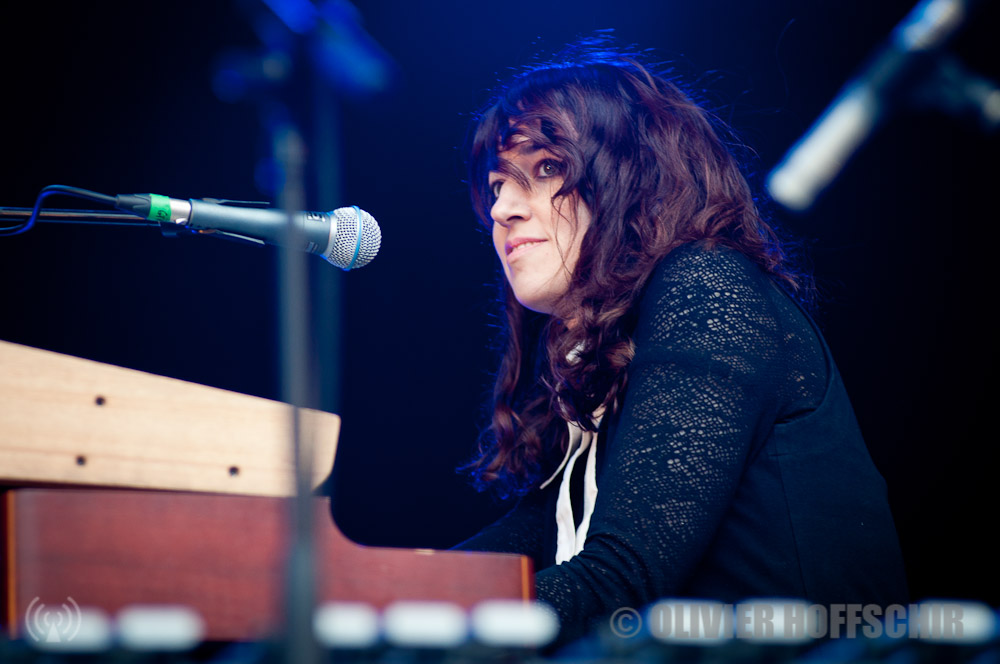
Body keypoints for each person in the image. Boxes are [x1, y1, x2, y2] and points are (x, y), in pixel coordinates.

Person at [453, 43, 908, 646]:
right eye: (496, 186)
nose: (502, 210)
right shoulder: (605, 351)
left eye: (544, 169)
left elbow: (623, 579)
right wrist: (362, 589)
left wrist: (401, 617)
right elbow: (533, 544)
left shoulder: (704, 285)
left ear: (632, 177)